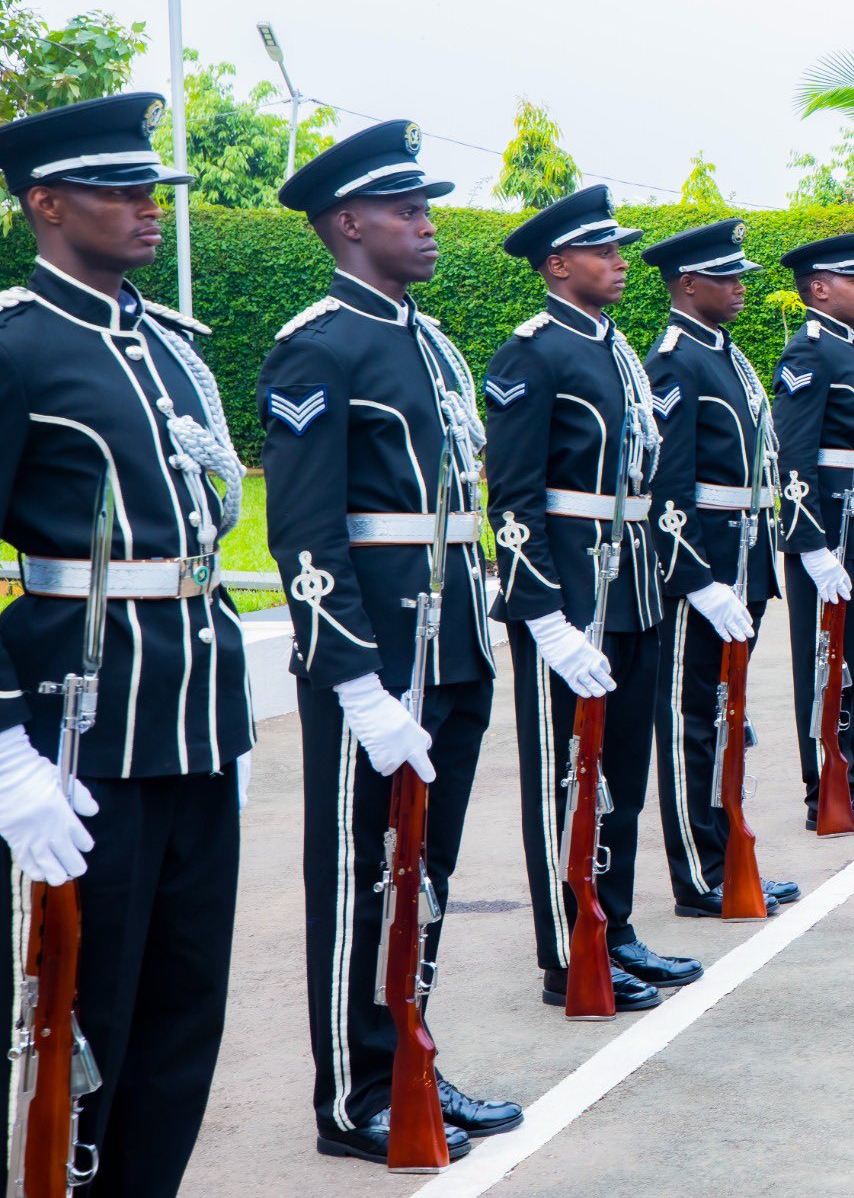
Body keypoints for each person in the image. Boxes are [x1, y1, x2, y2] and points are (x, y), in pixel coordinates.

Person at [0, 93, 252, 1196]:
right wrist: (5, 743)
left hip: (197, 718)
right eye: (121, 191)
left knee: (184, 1006)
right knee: (76, 1012)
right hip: (80, 733)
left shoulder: (175, 346)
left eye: (154, 191)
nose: (150, 209)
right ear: (44, 203)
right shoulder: (19, 347)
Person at [259, 119, 514, 1162]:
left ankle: (406, 1050)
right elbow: (305, 528)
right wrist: (353, 672)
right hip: (376, 655)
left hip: (452, 642)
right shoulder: (319, 342)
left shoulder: (432, 339)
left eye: (428, 206)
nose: (427, 223)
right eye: (407, 209)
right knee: (358, 869)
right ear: (349, 220)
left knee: (425, 868)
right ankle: (351, 1093)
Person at [483, 184, 699, 1011]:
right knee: (567, 781)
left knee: (625, 773)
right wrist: (540, 611)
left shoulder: (612, 347)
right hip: (572, 592)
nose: (618, 263)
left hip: (634, 582)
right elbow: (514, 497)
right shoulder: (532, 354)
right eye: (602, 252)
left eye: (618, 250)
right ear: (557, 263)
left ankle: (615, 925)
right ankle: (567, 949)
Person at [637, 220, 800, 920]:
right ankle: (699, 874)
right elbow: (667, 487)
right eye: (725, 277)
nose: (739, 287)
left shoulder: (724, 354)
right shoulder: (675, 360)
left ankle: (728, 851)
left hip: (745, 557)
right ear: (687, 284)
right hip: (701, 565)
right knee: (689, 722)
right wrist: (697, 579)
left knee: (726, 715)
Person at [770, 233, 854, 833]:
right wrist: (810, 543)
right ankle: (823, 786)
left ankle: (851, 778)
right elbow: (792, 454)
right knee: (828, 665)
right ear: (820, 289)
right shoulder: (810, 352)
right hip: (835, 530)